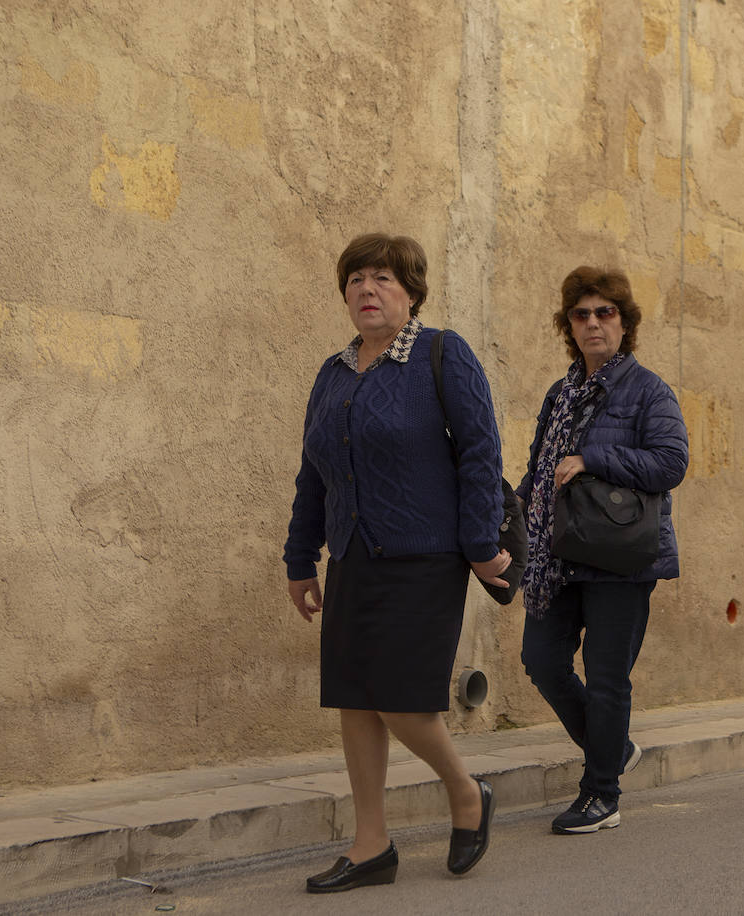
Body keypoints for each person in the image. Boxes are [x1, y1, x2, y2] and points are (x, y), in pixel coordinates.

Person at [283, 233, 508, 892]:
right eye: (356, 279)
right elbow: (314, 473)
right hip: (353, 558)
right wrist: (300, 558)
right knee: (356, 701)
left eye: (382, 278)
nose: (367, 289)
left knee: (404, 703)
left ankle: (465, 791)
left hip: (425, 557)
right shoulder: (332, 373)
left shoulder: (443, 353)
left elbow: (481, 452)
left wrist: (479, 546)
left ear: (411, 292)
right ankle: (371, 844)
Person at [517, 266, 688, 834]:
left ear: (624, 322)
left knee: (607, 677)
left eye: (605, 312)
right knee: (541, 660)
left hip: (620, 557)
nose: (593, 323)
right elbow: (543, 468)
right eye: (581, 314)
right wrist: (512, 510)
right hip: (558, 555)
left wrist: (594, 459)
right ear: (570, 326)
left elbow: (671, 463)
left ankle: (601, 794)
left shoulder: (648, 390)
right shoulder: (560, 393)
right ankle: (613, 748)